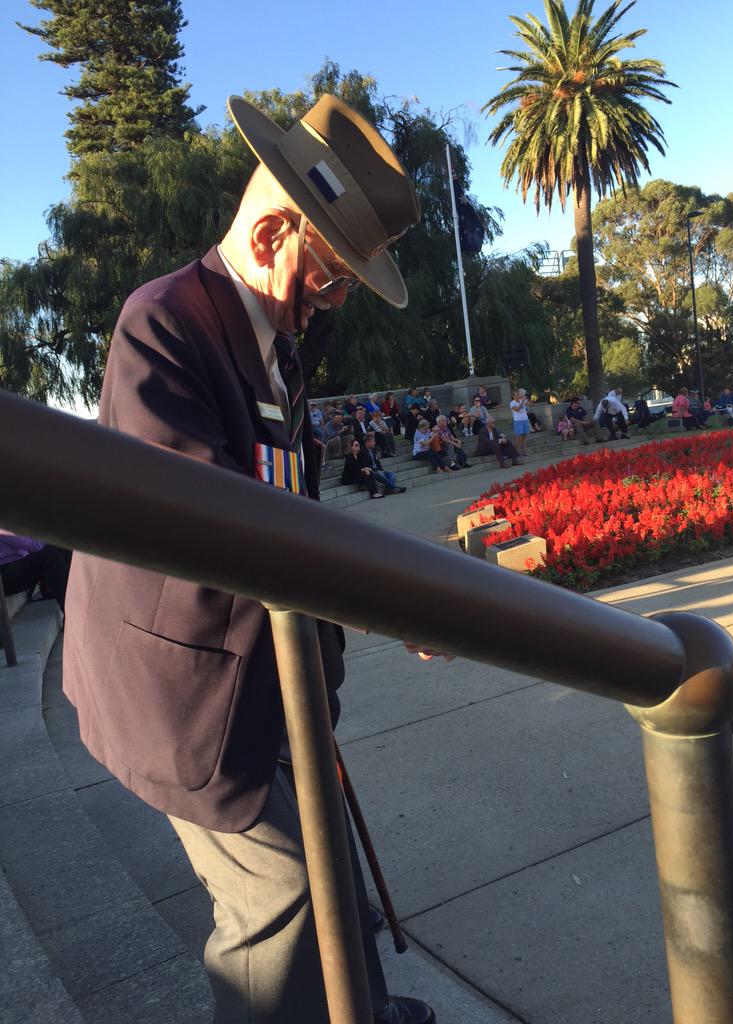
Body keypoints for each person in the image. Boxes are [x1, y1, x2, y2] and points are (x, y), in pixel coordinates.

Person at [63, 92, 434, 1024]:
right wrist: (392, 596)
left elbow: (298, 513)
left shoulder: (279, 349)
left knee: (328, 864)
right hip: (184, 698)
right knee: (280, 899)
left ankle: (366, 1013)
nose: (340, 302)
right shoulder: (163, 325)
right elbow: (213, 526)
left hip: (268, 683)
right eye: (339, 277)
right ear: (274, 233)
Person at [0, 531, 71, 613]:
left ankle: (67, 598)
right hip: (3, 576)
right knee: (50, 556)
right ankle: (71, 614)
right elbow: (34, 545)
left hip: (11, 568)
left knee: (62, 545)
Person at [509, 389, 531, 455]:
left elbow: (529, 404)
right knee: (519, 438)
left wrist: (529, 398)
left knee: (525, 436)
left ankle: (524, 451)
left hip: (525, 419)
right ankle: (517, 451)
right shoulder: (512, 403)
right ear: (513, 396)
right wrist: (522, 402)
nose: (518, 395)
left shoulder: (522, 400)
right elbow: (517, 409)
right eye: (517, 394)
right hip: (518, 421)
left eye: (519, 394)